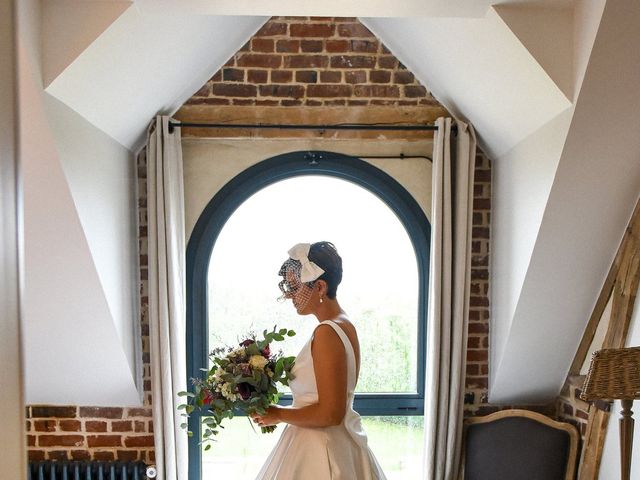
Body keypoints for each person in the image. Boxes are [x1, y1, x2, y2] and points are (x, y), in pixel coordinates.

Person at [252, 241, 387, 480]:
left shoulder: (327, 332)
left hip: (321, 452)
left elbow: (330, 414)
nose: (288, 295)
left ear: (320, 287)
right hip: (337, 444)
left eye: (295, 287)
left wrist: (278, 413)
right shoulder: (345, 325)